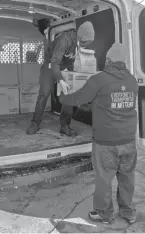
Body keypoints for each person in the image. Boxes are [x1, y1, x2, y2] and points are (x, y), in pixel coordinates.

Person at [58, 42, 138, 224]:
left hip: (106, 141)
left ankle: (104, 213)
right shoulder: (132, 80)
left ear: (108, 60)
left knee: (104, 178)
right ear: (123, 62)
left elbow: (78, 98)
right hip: (128, 140)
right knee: (127, 177)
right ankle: (127, 211)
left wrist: (61, 97)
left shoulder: (99, 79)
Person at [26, 21, 95, 136]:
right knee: (44, 93)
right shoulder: (65, 40)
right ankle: (35, 123)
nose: (85, 45)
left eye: (87, 43)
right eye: (84, 43)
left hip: (64, 68)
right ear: (80, 37)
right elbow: (54, 62)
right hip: (50, 66)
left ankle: (65, 126)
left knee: (69, 94)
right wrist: (60, 81)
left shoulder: (80, 44)